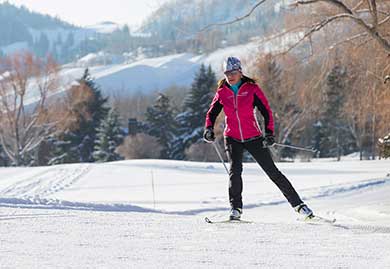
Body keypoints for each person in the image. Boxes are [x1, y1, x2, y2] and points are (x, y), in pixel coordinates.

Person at [203, 56, 313, 221]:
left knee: (272, 172)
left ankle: (299, 206)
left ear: (240, 72)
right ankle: (236, 209)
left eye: (232, 72)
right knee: (235, 172)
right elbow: (211, 113)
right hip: (232, 137)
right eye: (226, 73)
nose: (229, 76)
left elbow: (266, 111)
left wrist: (269, 133)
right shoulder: (222, 92)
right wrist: (208, 129)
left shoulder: (252, 89)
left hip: (253, 137)